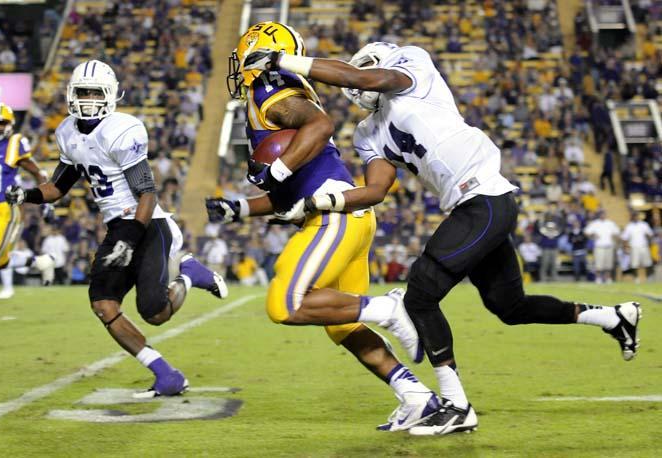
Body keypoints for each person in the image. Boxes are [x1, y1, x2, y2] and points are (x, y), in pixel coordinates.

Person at [249, 41, 643, 435]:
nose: (353, 89)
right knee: (510, 306)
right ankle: (612, 317)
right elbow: (375, 191)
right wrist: (315, 204)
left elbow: (362, 77)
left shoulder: (411, 66)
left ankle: (456, 405)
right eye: (350, 86)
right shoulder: (368, 132)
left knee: (419, 295)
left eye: (365, 66)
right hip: (468, 207)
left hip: (486, 196)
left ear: (384, 55)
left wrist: (284, 61)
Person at [209, 23, 438, 431]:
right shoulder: (269, 101)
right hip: (346, 218)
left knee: (286, 304)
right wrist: (238, 210)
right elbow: (286, 198)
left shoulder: (271, 90)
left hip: (334, 217)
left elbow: (321, 125)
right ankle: (417, 398)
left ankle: (388, 307)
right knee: (341, 324)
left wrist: (277, 169)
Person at [5, 60, 227, 397]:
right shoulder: (67, 132)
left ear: (110, 95)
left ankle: (190, 275)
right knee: (103, 304)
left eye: (96, 92)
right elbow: (59, 187)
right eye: (83, 92)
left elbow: (147, 196)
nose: (89, 98)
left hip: (146, 223)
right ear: (71, 94)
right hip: (118, 227)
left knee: (155, 313)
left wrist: (130, 238)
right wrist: (28, 194)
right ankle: (166, 374)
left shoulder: (122, 130)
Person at [0, 102, 55, 299]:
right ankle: (41, 262)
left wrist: (47, 202)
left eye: (1, 123)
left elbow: (39, 173)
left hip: (4, 208)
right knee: (1, 261)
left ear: (10, 125)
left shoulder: (14, 144)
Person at [584, 210, 620, 284]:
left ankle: (607, 278)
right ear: (599, 215)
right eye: (601, 214)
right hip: (599, 246)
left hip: (609, 246)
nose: (602, 216)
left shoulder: (610, 223)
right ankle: (598, 278)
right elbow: (586, 231)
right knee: (598, 264)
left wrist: (614, 237)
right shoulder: (595, 223)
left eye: (604, 214)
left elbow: (617, 232)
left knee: (608, 264)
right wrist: (593, 235)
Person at [621, 213, 653, 283]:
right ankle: (636, 278)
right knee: (634, 264)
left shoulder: (644, 224)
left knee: (648, 263)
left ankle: (649, 278)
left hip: (643, 246)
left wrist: (650, 242)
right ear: (632, 217)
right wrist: (626, 247)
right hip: (634, 247)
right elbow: (624, 238)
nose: (635, 218)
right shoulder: (629, 226)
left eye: (636, 216)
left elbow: (650, 234)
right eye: (634, 216)